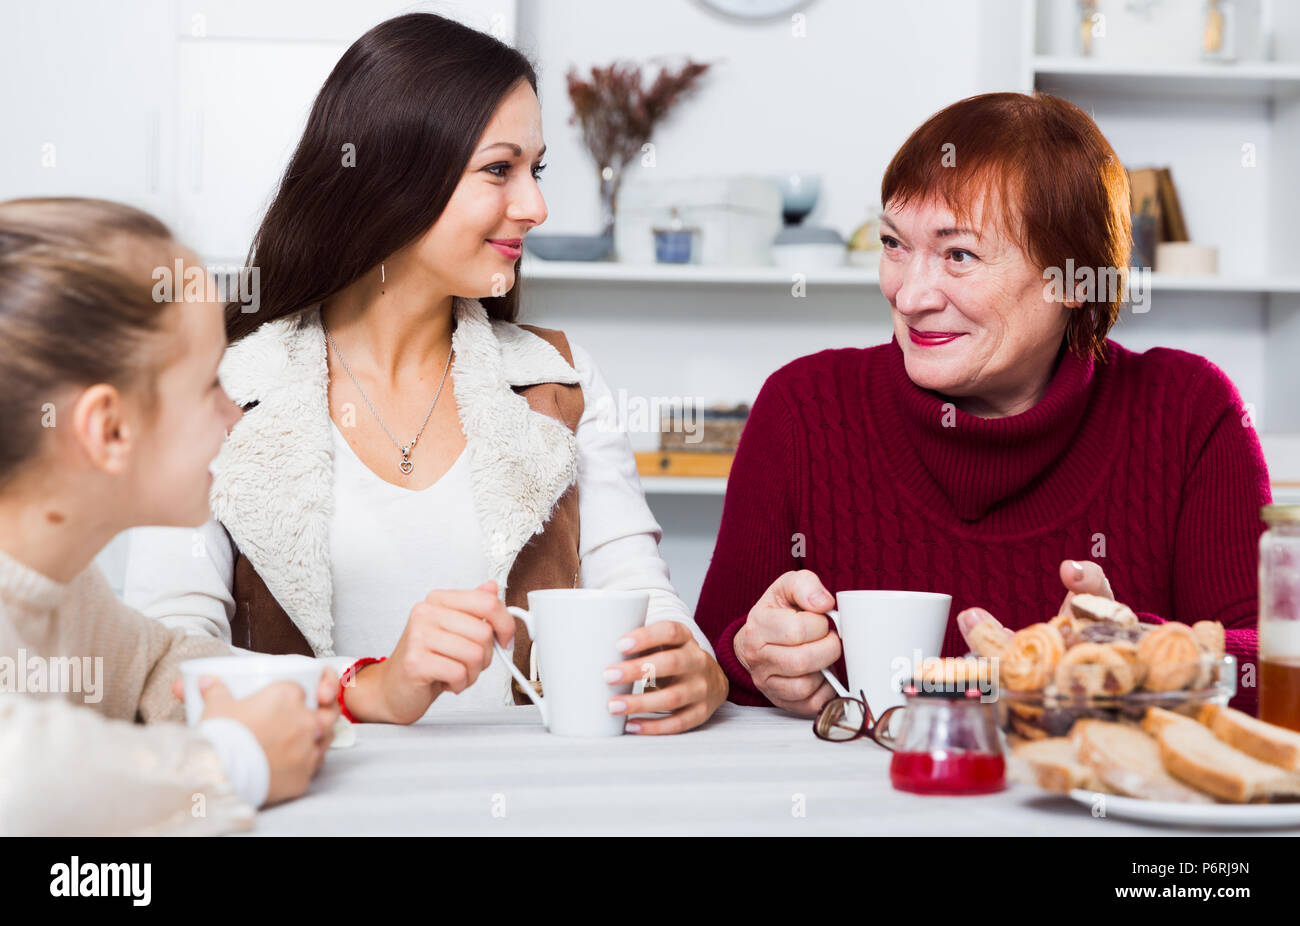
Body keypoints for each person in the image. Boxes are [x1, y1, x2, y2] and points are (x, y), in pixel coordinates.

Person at [123, 12, 727, 734]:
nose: (535, 206)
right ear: (391, 175)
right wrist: (369, 688)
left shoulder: (558, 381)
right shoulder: (219, 392)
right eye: (499, 170)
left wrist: (689, 663)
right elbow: (166, 666)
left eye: (534, 171)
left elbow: (642, 601)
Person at [695, 91, 1266, 717]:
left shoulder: (1189, 412)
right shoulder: (801, 409)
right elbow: (709, 661)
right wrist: (754, 657)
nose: (909, 296)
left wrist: (1137, 655)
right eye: (893, 244)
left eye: (958, 254)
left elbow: (1274, 663)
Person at [0, 197, 338, 834]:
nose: (234, 413)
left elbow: (156, 666)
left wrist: (328, 690)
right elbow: (15, 779)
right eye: (210, 383)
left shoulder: (69, 590)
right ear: (109, 429)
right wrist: (233, 760)